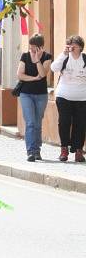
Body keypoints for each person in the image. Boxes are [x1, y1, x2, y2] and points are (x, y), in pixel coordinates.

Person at [17, 33, 52, 162]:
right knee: (30, 123)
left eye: (33, 47)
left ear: (40, 47)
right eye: (30, 46)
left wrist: (37, 60)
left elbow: (43, 74)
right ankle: (31, 152)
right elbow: (20, 74)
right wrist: (33, 78)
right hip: (26, 94)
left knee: (37, 124)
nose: (31, 49)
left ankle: (37, 151)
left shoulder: (47, 57)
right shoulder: (25, 56)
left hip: (41, 95)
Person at [50, 35, 86, 162]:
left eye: (74, 44)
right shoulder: (65, 58)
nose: (72, 47)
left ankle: (78, 151)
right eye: (70, 44)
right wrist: (63, 54)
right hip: (63, 95)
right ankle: (64, 150)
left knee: (80, 124)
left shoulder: (84, 59)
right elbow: (53, 68)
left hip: (82, 97)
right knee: (64, 122)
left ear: (80, 47)